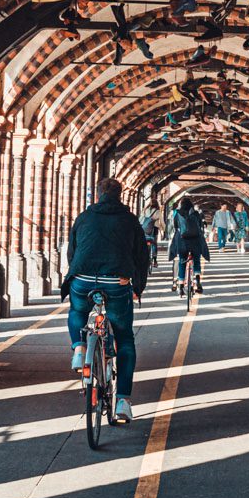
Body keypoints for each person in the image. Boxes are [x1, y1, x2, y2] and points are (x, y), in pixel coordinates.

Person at [62, 177, 149, 423]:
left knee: (77, 312)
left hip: (83, 278)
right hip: (117, 283)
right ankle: (123, 400)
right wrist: (137, 287)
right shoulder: (130, 220)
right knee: (124, 338)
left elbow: (73, 250)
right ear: (120, 195)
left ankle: (79, 350)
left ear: (97, 194)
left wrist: (76, 274)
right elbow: (142, 256)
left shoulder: (84, 217)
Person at [169, 196, 210, 295]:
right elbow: (200, 226)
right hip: (195, 241)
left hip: (182, 242)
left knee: (182, 262)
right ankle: (197, 282)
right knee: (196, 260)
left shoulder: (178, 213)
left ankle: (181, 285)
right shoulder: (196, 214)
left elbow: (175, 226)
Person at [139, 197, 166, 267]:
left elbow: (140, 219)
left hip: (145, 229)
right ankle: (155, 260)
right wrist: (164, 230)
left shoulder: (145, 210)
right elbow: (162, 222)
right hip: (154, 229)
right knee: (154, 244)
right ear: (157, 205)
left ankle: (142, 257)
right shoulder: (158, 212)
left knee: (144, 242)